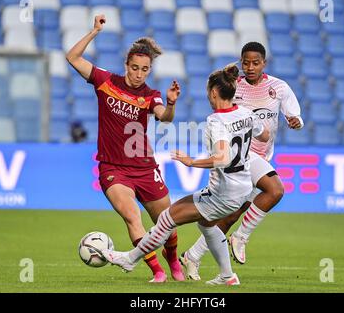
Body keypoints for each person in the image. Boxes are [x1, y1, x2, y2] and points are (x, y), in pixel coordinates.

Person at [100, 63, 270, 285]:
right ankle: (228, 277)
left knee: (167, 219)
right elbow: (265, 135)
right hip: (242, 187)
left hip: (224, 193)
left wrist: (192, 162)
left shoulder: (216, 120)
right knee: (207, 225)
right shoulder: (246, 113)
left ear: (214, 92)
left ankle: (130, 259)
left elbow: (222, 158)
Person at [66, 14, 184, 283]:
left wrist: (171, 103)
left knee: (167, 223)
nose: (139, 74)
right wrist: (94, 31)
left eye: (144, 69)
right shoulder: (105, 82)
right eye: (134, 68)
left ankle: (173, 259)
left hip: (144, 166)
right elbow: (72, 57)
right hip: (113, 169)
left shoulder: (150, 95)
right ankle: (157, 271)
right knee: (133, 217)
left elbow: (164, 116)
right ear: (126, 65)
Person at [180, 41, 305, 280]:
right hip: (244, 156)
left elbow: (294, 114)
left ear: (264, 64)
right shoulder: (233, 87)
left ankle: (192, 256)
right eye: (245, 62)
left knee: (231, 216)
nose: (250, 67)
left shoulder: (278, 87)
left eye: (255, 63)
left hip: (261, 157)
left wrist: (296, 121)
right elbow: (218, 108)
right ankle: (241, 237)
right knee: (276, 190)